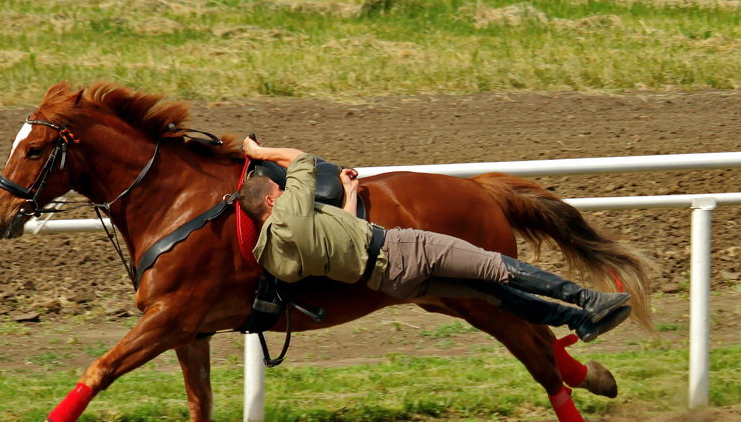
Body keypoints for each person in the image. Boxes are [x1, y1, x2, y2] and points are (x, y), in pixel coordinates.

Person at [239, 137, 631, 342]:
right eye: (279, 188)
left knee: (494, 297)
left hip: (391, 283)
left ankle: (578, 321)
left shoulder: (271, 252)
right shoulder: (292, 209)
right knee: (498, 269)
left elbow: (342, 235)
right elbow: (301, 158)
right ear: (273, 199)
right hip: (402, 250)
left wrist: (350, 192)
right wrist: (259, 151)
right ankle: (589, 301)